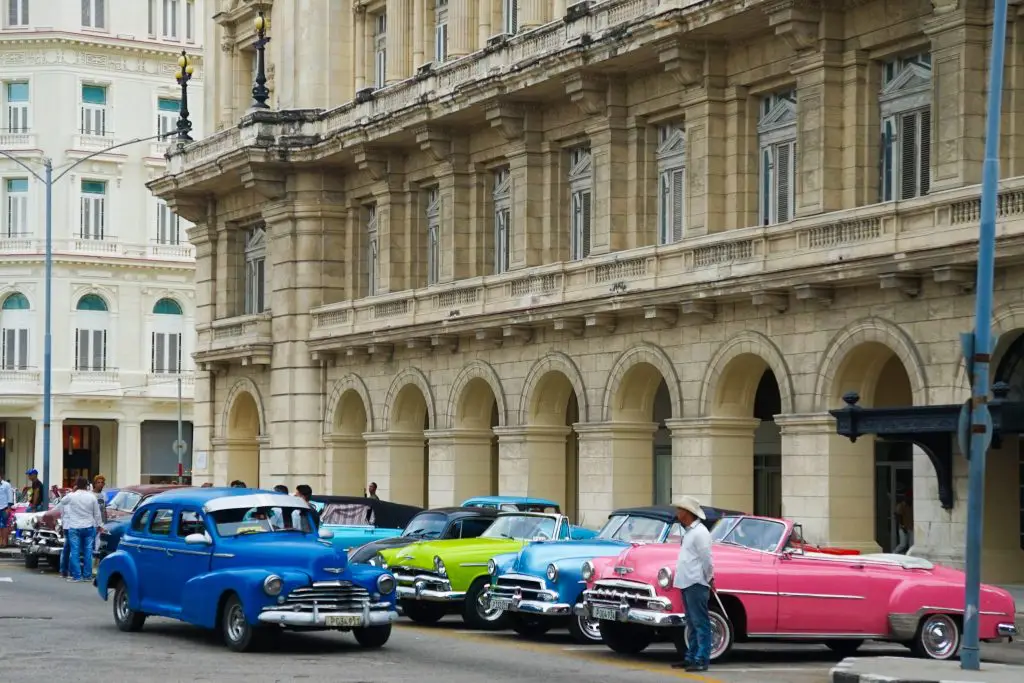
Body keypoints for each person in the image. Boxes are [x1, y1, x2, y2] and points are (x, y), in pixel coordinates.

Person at [671, 495, 714, 673]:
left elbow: (707, 559)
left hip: (696, 581)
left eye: (680, 510)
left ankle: (701, 658)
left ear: (688, 513)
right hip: (688, 581)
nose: (677, 513)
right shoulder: (690, 532)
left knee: (700, 622)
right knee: (692, 622)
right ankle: (691, 657)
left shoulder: (700, 532)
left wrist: (710, 578)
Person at [56, 476, 103, 583]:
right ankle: (87, 575)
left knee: (75, 552)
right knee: (88, 552)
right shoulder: (91, 497)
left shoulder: (72, 496)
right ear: (87, 485)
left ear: (76, 485)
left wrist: (72, 491)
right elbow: (97, 513)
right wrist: (99, 525)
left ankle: (77, 576)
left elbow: (62, 501)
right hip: (88, 527)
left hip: (75, 527)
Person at [894, 489, 914, 554]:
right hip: (903, 528)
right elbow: (897, 515)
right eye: (909, 497)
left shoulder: (913, 505)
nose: (910, 498)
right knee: (903, 544)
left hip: (911, 528)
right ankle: (894, 554)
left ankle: (909, 557)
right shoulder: (902, 505)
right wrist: (902, 526)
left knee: (912, 545)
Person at [0, 470, 14, 548]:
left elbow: (10, 497)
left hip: (4, 508)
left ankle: (5, 542)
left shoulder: (6, 485)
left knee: (4, 526)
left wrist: (8, 508)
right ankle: (0, 541)